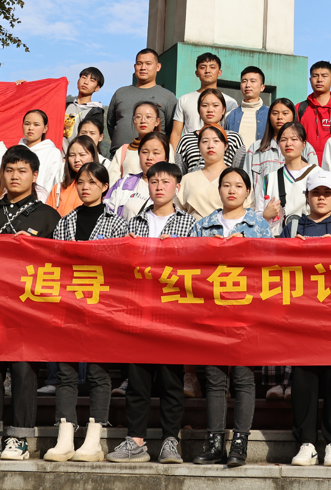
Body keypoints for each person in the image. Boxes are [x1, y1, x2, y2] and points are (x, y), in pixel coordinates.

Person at [0, 146, 63, 462]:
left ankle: (19, 439)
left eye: (22, 171)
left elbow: (60, 263)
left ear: (35, 176)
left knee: (24, 371)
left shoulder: (48, 216)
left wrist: (33, 248)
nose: (15, 176)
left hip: (28, 307)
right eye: (9, 170)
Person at [111, 162, 198, 464]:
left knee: (171, 380)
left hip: (173, 312)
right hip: (139, 309)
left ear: (177, 187)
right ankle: (135, 441)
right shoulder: (133, 223)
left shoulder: (190, 224)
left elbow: (198, 265)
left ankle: (170, 441)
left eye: (166, 182)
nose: (159, 187)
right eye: (154, 181)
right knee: (138, 379)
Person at [44, 161, 127, 463]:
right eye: (80, 182)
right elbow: (54, 261)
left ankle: (94, 439)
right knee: (65, 371)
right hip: (68, 305)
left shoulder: (117, 223)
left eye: (92, 182)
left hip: (101, 307)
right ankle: (65, 436)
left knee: (97, 372)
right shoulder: (65, 221)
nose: (85, 187)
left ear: (105, 187)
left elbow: (121, 266)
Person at [189, 167, 272, 467]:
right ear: (219, 190)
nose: (232, 190)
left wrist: (244, 248)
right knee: (214, 378)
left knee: (243, 377)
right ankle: (214, 442)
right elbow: (190, 266)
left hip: (246, 313)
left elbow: (270, 267)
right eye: (226, 185)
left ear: (248, 192)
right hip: (211, 311)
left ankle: (239, 442)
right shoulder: (203, 225)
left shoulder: (259, 225)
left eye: (238, 185)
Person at [279, 170, 331, 467]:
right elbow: (276, 265)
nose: (321, 198)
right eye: (316, 193)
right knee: (303, 381)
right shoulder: (293, 226)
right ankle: (306, 443)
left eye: (327, 193)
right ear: (307, 196)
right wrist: (293, 251)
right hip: (302, 316)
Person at [105, 48, 180, 157]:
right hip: (119, 157)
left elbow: (172, 131)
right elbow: (111, 124)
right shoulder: (120, 93)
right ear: (135, 66)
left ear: (158, 67)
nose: (143, 67)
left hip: (152, 158)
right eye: (139, 63)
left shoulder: (168, 97)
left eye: (148, 63)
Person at [257, 121, 319, 222]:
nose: (288, 144)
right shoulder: (269, 179)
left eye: (294, 139)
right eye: (283, 140)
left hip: (309, 230)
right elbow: (258, 214)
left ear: (304, 144)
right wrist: (265, 215)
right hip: (277, 232)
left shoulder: (317, 174)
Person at [171, 52, 236, 148]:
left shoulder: (230, 102)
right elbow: (176, 133)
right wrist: (174, 156)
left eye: (212, 67)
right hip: (191, 152)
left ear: (219, 72)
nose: (207, 71)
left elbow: (231, 133)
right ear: (197, 73)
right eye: (203, 67)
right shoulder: (184, 99)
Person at [243, 96, 306, 194]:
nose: (280, 117)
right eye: (275, 113)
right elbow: (245, 184)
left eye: (285, 113)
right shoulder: (255, 148)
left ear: (293, 116)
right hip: (262, 203)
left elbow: (313, 180)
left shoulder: (306, 148)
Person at [180, 85, 247, 171]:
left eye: (215, 105)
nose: (210, 110)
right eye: (204, 105)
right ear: (199, 110)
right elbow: (179, 174)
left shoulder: (234, 139)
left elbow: (239, 172)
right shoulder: (186, 140)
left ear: (223, 110)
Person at [105, 131, 168, 221]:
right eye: (145, 152)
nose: (149, 157)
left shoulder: (172, 189)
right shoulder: (123, 184)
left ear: (166, 159)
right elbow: (106, 214)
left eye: (156, 153)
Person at [179, 125, 237, 219]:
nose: (210, 146)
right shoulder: (186, 180)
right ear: (198, 146)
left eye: (216, 141)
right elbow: (176, 212)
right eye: (205, 141)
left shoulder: (237, 178)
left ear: (225, 146)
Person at [295, 61, 331, 158]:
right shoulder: (300, 108)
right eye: (315, 76)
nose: (319, 80)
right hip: (306, 163)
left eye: (324, 76)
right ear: (310, 80)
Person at [112, 101, 168, 180]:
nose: (143, 121)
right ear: (133, 121)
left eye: (148, 117)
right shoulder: (123, 150)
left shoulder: (166, 147)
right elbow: (112, 181)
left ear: (157, 122)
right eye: (138, 117)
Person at [48, 132, 100, 215]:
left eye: (82, 155)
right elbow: (48, 216)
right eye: (72, 155)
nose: (76, 160)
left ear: (93, 157)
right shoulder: (58, 188)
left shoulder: (100, 188)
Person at [19, 108, 64, 201]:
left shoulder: (52, 153)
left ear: (45, 128)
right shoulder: (14, 151)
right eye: (27, 124)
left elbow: (51, 183)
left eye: (36, 124)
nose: (30, 128)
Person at [226, 66, 270, 154]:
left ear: (262, 87)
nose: (248, 85)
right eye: (244, 81)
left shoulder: (271, 114)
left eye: (253, 81)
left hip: (262, 161)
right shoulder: (229, 116)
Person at [65, 66, 105, 142]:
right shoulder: (65, 106)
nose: (86, 82)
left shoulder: (96, 112)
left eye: (92, 80)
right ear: (78, 81)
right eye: (84, 77)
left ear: (97, 88)